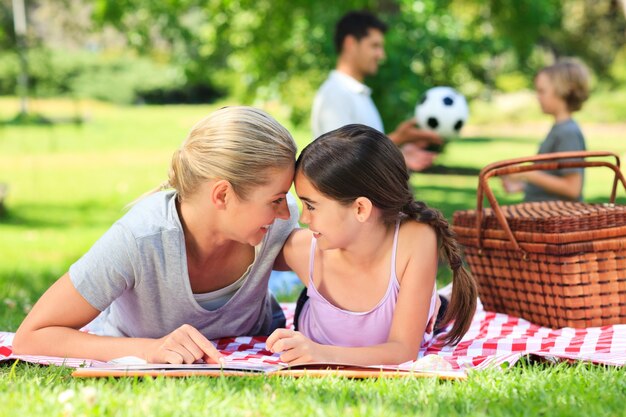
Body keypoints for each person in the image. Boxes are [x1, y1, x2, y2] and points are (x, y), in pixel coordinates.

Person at [13, 106, 299, 364]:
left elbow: (333, 268)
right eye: (276, 199)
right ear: (223, 194)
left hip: (252, 349)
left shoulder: (276, 224)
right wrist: (149, 350)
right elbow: (31, 336)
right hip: (132, 343)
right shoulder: (140, 239)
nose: (286, 212)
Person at [266, 124, 477, 366]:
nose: (303, 219)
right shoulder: (301, 249)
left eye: (311, 206)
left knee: (439, 311)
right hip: (318, 309)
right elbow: (239, 256)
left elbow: (402, 352)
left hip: (399, 299)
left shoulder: (415, 240)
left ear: (360, 209)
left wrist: (321, 353)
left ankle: (435, 301)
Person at [311, 10, 443, 172]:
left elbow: (363, 155)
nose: (381, 55)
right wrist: (398, 138)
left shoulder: (357, 93)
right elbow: (342, 159)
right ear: (350, 43)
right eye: (375, 46)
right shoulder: (335, 94)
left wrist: (398, 153)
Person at [502, 59, 590, 201]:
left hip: (558, 220)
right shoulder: (559, 129)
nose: (537, 97)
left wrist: (527, 173)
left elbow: (572, 188)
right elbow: (553, 177)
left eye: (542, 91)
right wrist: (523, 186)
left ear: (563, 91)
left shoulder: (567, 133)